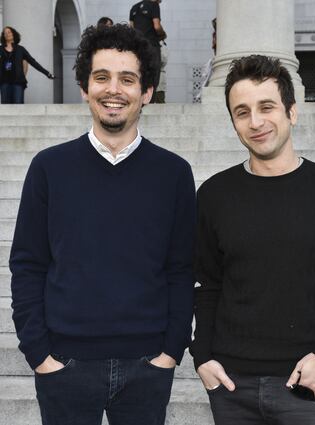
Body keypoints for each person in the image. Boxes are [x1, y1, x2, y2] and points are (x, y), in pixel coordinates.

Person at [10, 24, 195, 425]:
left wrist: (170, 353)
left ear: (145, 92)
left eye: (127, 79)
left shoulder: (174, 173)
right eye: (101, 77)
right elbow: (27, 265)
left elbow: (182, 269)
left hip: (148, 366)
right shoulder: (48, 168)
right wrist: (40, 356)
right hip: (65, 364)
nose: (114, 89)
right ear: (84, 87)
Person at [190, 55, 315, 425]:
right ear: (233, 122)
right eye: (242, 112)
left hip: (309, 383)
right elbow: (206, 286)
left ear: (292, 112)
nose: (256, 122)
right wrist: (202, 357)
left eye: (267, 107)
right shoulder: (214, 195)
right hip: (232, 389)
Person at [0, 26, 54, 104]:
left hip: (17, 82)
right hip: (4, 82)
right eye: (5, 33)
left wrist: (47, 73)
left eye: (9, 32)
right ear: (3, 36)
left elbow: (33, 62)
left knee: (18, 107)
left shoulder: (21, 49)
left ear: (13, 34)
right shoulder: (0, 49)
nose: (7, 34)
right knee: (5, 108)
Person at [129, 0, 166, 90]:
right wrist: (163, 34)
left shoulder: (134, 7)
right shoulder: (154, 5)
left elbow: (131, 29)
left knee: (139, 73)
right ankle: (150, 101)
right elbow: (157, 26)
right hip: (151, 45)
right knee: (153, 74)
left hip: (138, 47)